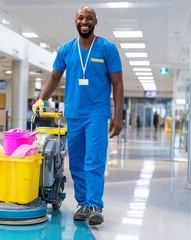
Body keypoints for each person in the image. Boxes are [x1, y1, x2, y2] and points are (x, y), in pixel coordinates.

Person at [32, 6, 124, 225]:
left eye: (89, 18)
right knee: (76, 163)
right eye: (81, 17)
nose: (85, 21)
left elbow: (117, 83)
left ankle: (95, 205)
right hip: (73, 113)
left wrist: (117, 115)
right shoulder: (66, 49)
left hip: (96, 113)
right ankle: (82, 203)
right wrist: (41, 98)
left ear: (95, 22)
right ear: (75, 21)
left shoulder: (107, 48)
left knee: (94, 160)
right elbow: (54, 77)